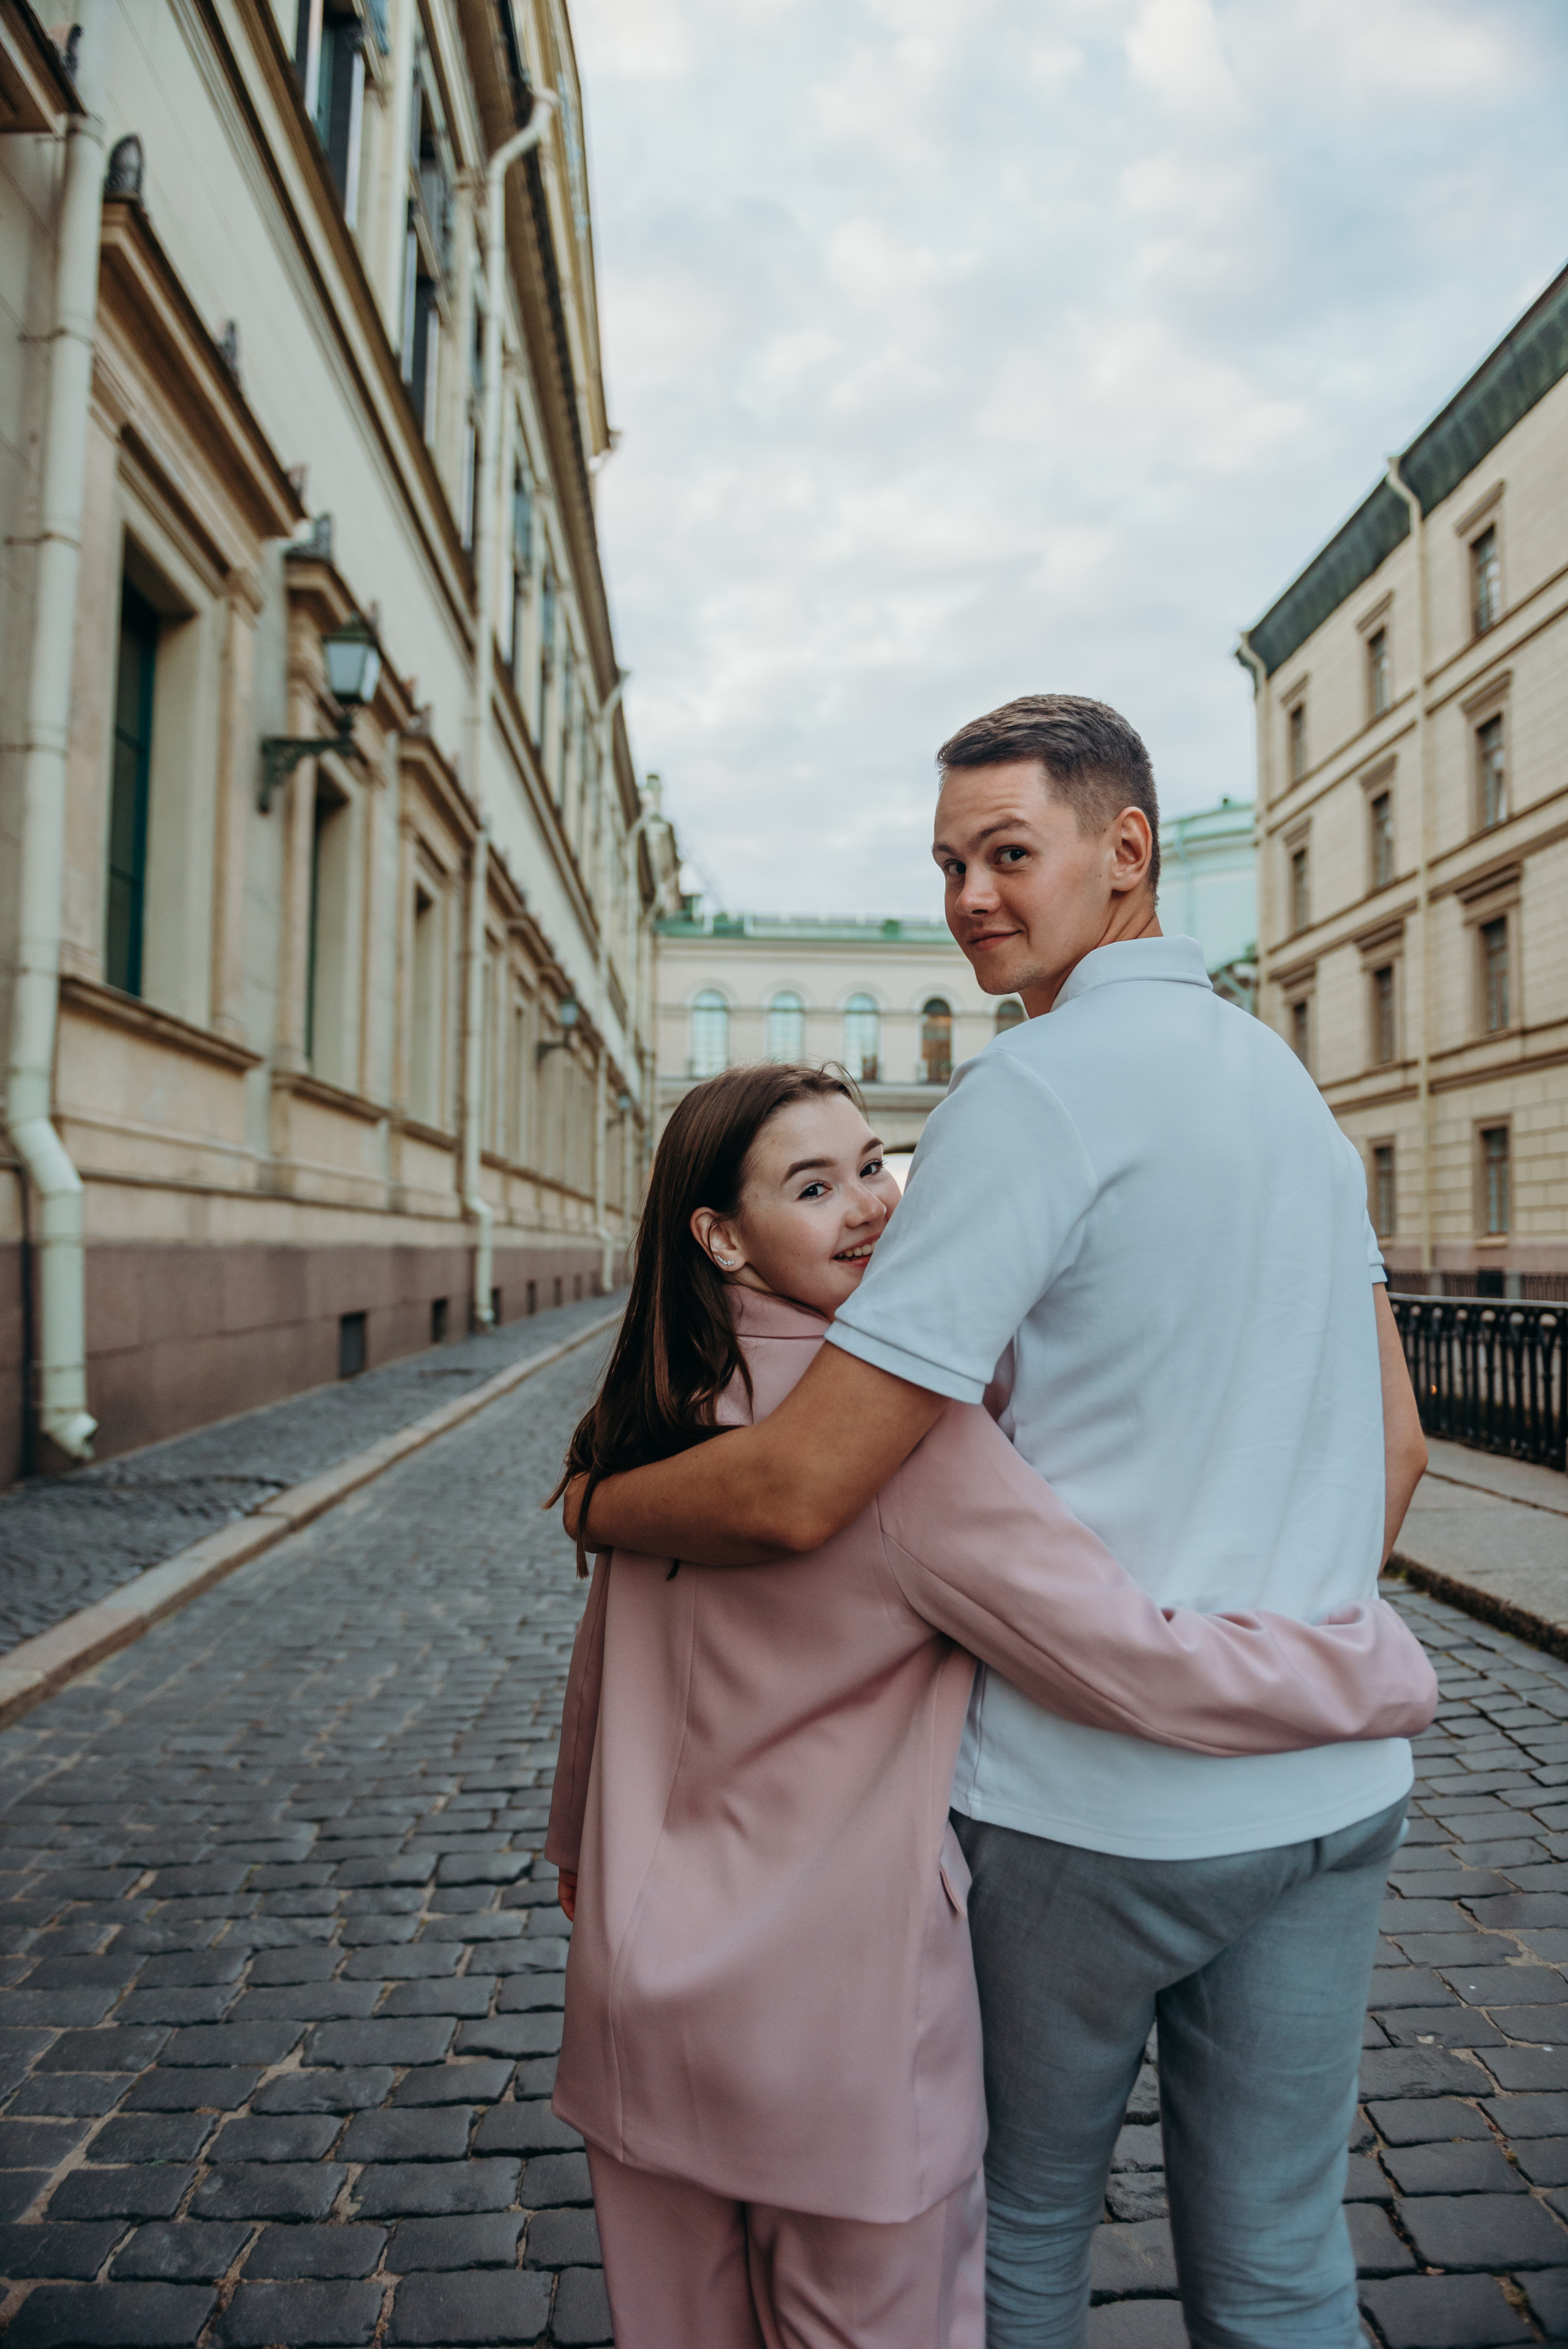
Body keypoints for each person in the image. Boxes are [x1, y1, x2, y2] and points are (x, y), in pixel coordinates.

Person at [568, 695, 1431, 2348]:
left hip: (1093, 1809)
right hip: (1333, 1793)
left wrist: (601, 1497)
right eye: (951, 860)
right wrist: (1300, 1619)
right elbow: (1392, 1446)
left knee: (1017, 2232)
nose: (971, 893)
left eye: (1009, 852)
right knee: (1284, 2264)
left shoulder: (1024, 1098)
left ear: (1127, 852)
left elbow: (816, 1476)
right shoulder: (1295, 1101)